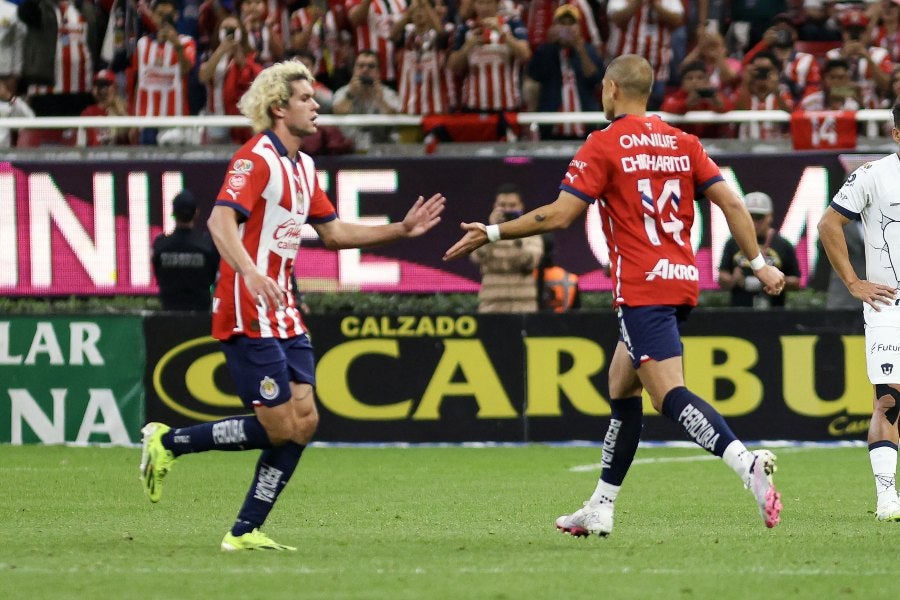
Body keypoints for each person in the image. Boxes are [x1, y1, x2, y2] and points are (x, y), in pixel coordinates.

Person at [444, 54, 786, 536]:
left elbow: (558, 216)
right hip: (679, 279)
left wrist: (494, 232)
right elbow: (731, 201)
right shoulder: (683, 142)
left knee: (669, 394)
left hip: (641, 285)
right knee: (622, 385)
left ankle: (744, 464)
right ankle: (601, 505)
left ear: (609, 88)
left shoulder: (604, 144)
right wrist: (759, 263)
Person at [139, 59, 445, 551]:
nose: (316, 105)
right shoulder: (254, 158)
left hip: (283, 305)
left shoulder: (303, 166)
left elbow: (335, 232)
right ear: (280, 108)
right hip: (246, 300)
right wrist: (250, 271)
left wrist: (401, 230)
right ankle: (168, 441)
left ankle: (244, 531)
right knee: (278, 426)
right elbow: (219, 224)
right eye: (306, 99)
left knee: (304, 422)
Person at [817, 103, 900, 521]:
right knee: (889, 399)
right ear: (897, 134)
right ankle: (887, 496)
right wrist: (854, 282)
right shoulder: (871, 175)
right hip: (889, 304)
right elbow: (829, 224)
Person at [525, 4, 603, 140]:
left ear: (578, 27)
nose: (567, 28)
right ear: (554, 27)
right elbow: (534, 74)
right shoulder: (546, 51)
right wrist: (549, 44)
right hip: (551, 126)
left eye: (571, 24)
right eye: (562, 24)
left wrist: (581, 50)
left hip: (585, 126)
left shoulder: (588, 50)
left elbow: (596, 79)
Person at [717, 191, 801, 309]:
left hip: (773, 312)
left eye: (759, 217)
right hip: (739, 312)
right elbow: (722, 276)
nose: (755, 222)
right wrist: (733, 279)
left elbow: (796, 282)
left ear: (770, 216)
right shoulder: (733, 242)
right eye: (750, 216)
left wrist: (776, 279)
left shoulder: (783, 244)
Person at [470, 183, 544, 313]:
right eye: (503, 206)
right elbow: (476, 257)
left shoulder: (531, 232)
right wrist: (492, 230)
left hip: (524, 307)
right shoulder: (484, 232)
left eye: (512, 206)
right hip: (491, 307)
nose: (507, 210)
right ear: (495, 207)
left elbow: (531, 262)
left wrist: (515, 233)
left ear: (521, 207)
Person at [151, 190, 220, 311]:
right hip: (200, 318)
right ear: (196, 213)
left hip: (169, 317)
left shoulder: (160, 245)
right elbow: (213, 276)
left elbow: (158, 274)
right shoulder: (208, 245)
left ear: (173, 213)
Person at [332, 49, 401, 150]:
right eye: (361, 66)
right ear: (353, 70)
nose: (365, 70)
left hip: (381, 149)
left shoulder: (388, 94)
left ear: (378, 72)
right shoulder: (343, 92)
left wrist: (380, 100)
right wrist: (350, 95)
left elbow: (396, 120)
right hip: (348, 149)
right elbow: (337, 112)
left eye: (371, 66)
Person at [77, 69, 136, 146]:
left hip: (120, 155)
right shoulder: (88, 112)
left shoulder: (126, 108)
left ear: (115, 87)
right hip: (95, 155)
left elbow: (134, 139)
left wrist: (121, 112)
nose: (102, 90)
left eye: (106, 85)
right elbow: (80, 145)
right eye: (98, 85)